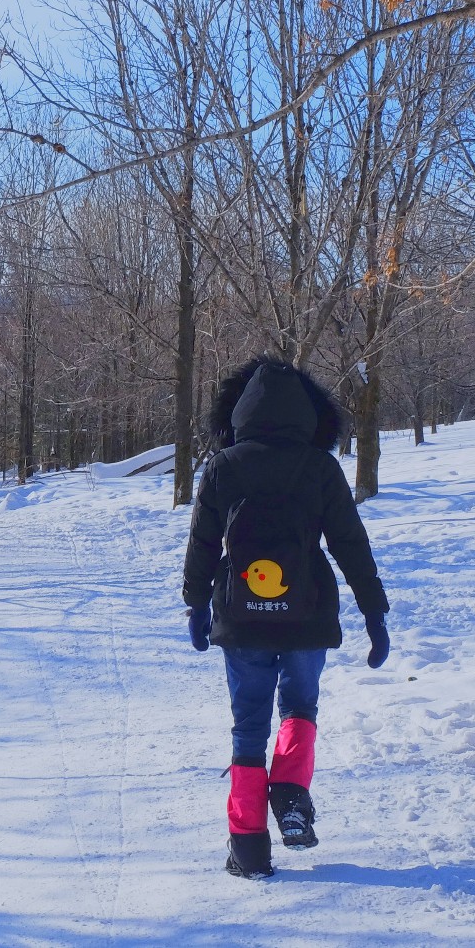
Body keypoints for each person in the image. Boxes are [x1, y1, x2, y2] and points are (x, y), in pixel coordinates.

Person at [181, 357, 390, 879]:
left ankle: (248, 847)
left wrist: (196, 602)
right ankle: (292, 795)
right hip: (307, 614)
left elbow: (203, 542)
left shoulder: (225, 465)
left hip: (240, 614)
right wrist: (373, 611)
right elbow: (349, 543)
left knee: (247, 728)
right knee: (300, 705)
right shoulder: (320, 467)